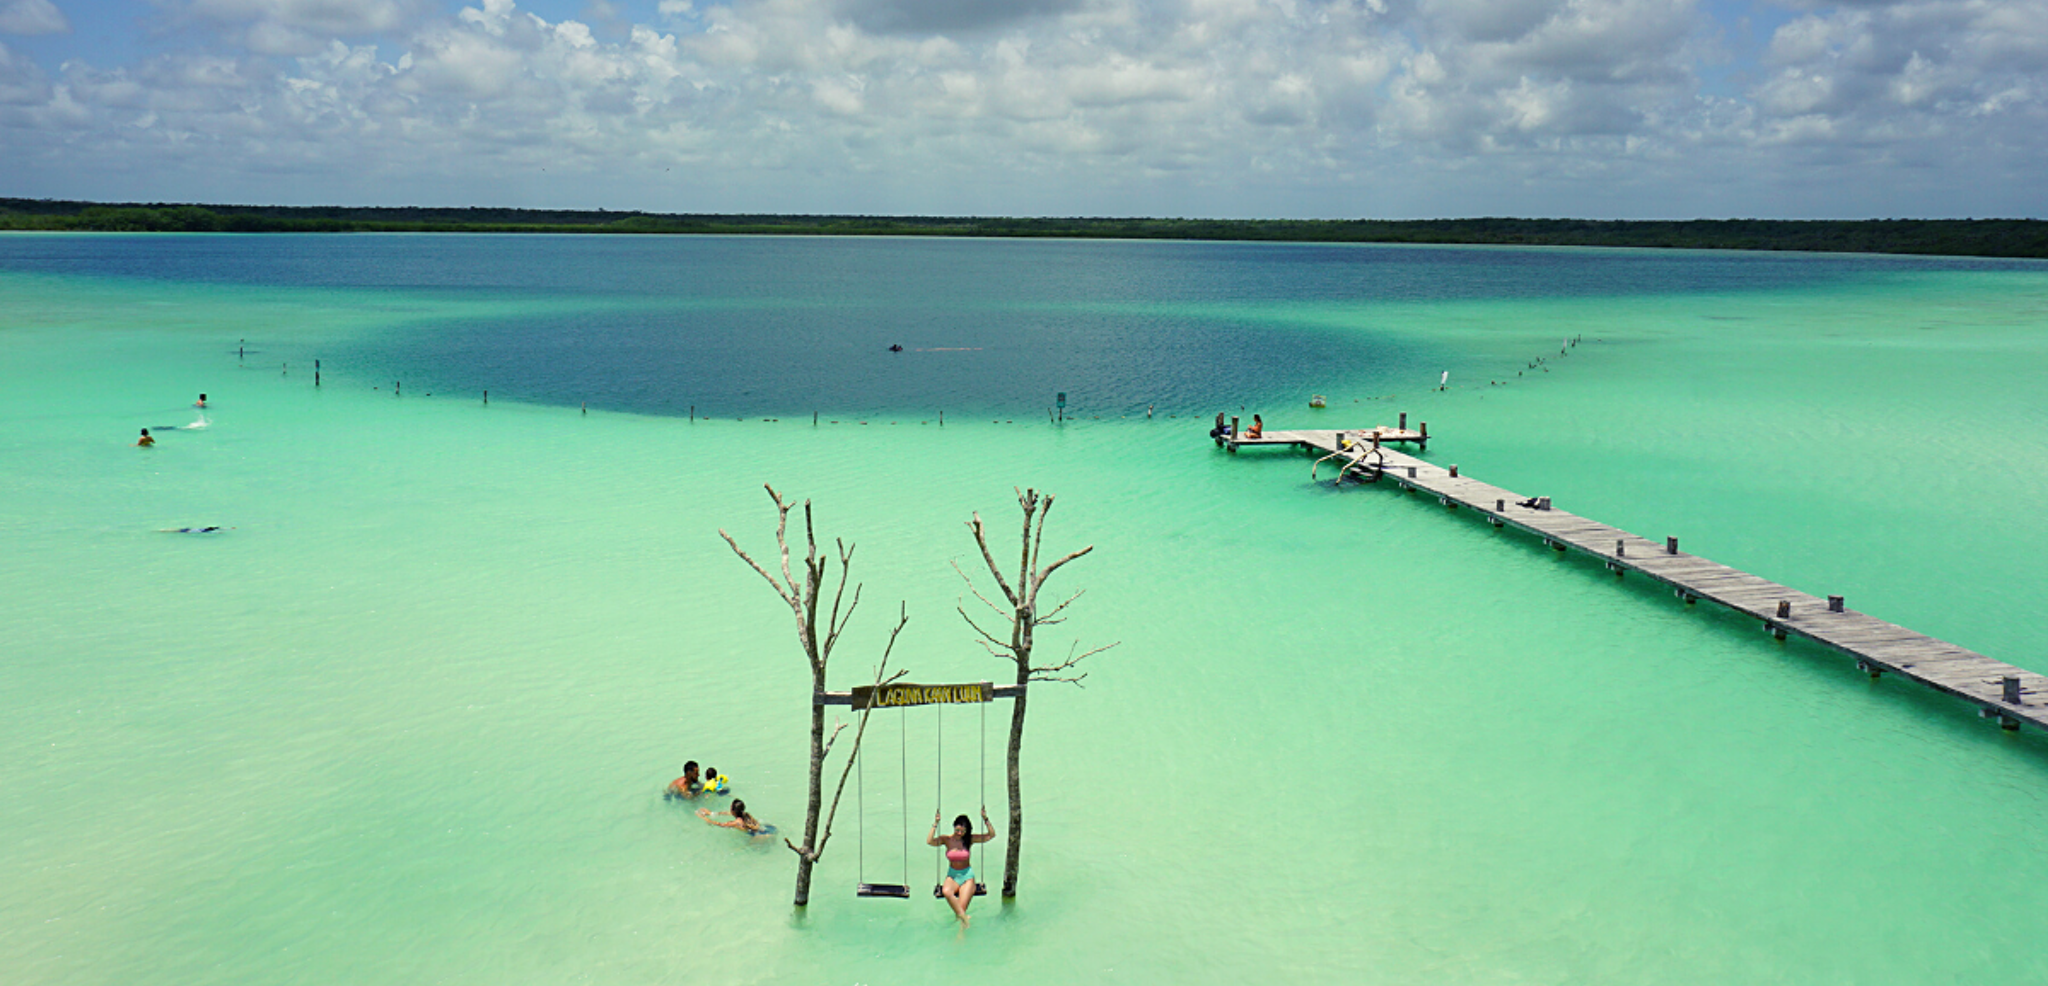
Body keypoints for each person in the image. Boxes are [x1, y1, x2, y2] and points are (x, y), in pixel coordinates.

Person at [928, 810, 994, 927]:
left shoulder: (969, 840)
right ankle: (964, 922)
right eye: (957, 830)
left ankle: (960, 934)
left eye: (962, 831)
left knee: (961, 910)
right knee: (946, 892)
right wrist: (935, 824)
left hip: (967, 876)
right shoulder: (946, 840)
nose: (959, 833)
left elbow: (991, 835)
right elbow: (930, 841)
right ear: (953, 827)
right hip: (952, 875)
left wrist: (986, 819)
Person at [697, 798, 771, 836]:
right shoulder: (746, 814)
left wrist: (703, 817)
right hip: (765, 830)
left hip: (757, 836)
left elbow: (720, 824)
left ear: (733, 811)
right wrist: (711, 813)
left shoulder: (736, 822)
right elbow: (727, 813)